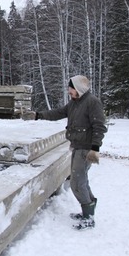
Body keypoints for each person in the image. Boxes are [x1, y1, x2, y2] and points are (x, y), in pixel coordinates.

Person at [35, 75, 107, 231]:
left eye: (71, 88)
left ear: (79, 88)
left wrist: (95, 148)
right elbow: (58, 113)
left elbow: (100, 126)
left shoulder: (92, 103)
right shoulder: (75, 103)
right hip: (77, 145)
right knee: (81, 180)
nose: (69, 91)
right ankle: (88, 211)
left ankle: (89, 218)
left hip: (86, 148)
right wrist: (38, 115)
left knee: (76, 182)